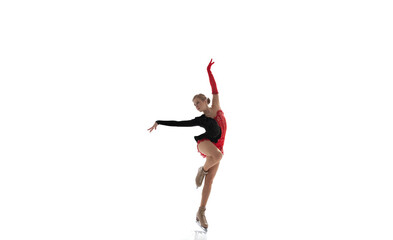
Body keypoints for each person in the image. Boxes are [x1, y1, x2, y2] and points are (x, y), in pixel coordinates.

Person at [147, 59, 227, 232]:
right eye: (194, 105)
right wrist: (159, 122)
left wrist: (209, 70)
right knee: (219, 156)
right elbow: (180, 123)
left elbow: (214, 88)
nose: (196, 106)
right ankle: (202, 170)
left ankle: (201, 212)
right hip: (205, 144)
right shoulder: (200, 120)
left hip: (217, 146)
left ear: (205, 100)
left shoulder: (216, 107)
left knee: (210, 182)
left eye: (197, 102)